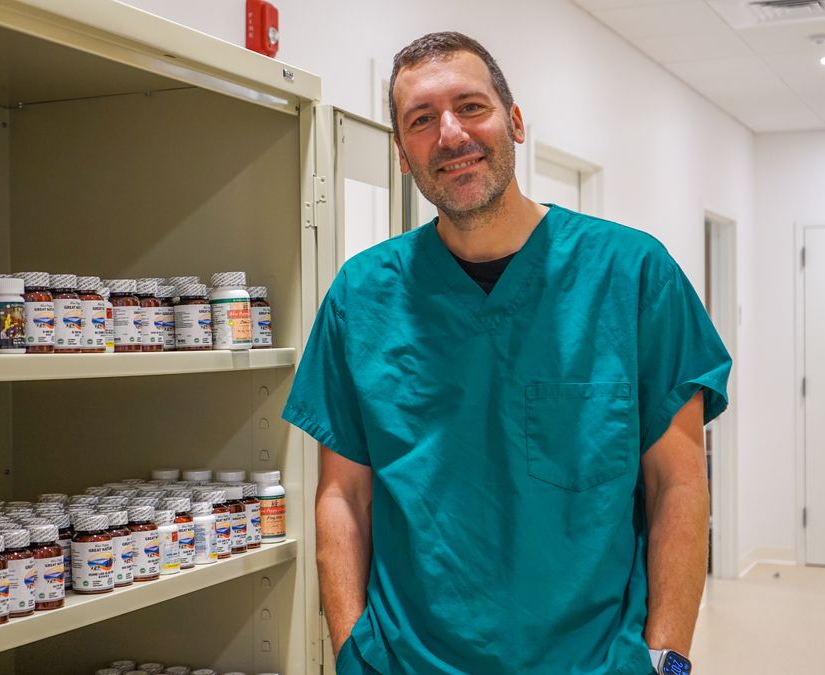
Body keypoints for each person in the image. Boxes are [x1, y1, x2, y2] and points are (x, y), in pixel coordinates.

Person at [282, 32, 731, 674]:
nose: (451, 134)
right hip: (409, 662)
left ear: (514, 122)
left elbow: (679, 485)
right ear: (402, 154)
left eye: (471, 106)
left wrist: (667, 658)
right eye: (421, 120)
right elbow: (342, 497)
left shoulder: (633, 277)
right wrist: (354, 649)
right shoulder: (362, 297)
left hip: (597, 661)